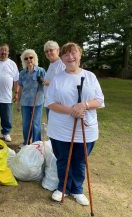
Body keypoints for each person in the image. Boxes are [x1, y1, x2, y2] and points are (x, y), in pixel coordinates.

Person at [46, 42, 104, 205]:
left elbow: (99, 100)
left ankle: (77, 189)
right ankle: (63, 187)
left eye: (73, 53)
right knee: (63, 158)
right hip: (61, 128)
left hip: (86, 127)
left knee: (79, 159)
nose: (70, 57)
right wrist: (72, 110)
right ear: (62, 58)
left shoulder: (90, 76)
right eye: (66, 54)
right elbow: (50, 102)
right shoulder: (57, 79)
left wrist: (84, 105)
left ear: (79, 55)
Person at [15, 49, 45, 146]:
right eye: (26, 58)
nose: (29, 60)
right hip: (25, 102)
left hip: (38, 101)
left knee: (36, 124)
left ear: (34, 58)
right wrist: (18, 102)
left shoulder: (41, 71)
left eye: (31, 57)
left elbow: (47, 84)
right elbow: (20, 88)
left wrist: (42, 82)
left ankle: (36, 144)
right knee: (26, 124)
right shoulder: (22, 73)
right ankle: (26, 142)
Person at [43, 41, 65, 120]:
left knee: (58, 129)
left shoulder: (63, 64)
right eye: (46, 51)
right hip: (49, 102)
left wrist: (49, 83)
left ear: (58, 50)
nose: (48, 53)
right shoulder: (51, 64)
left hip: (58, 104)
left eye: (51, 50)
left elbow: (66, 83)